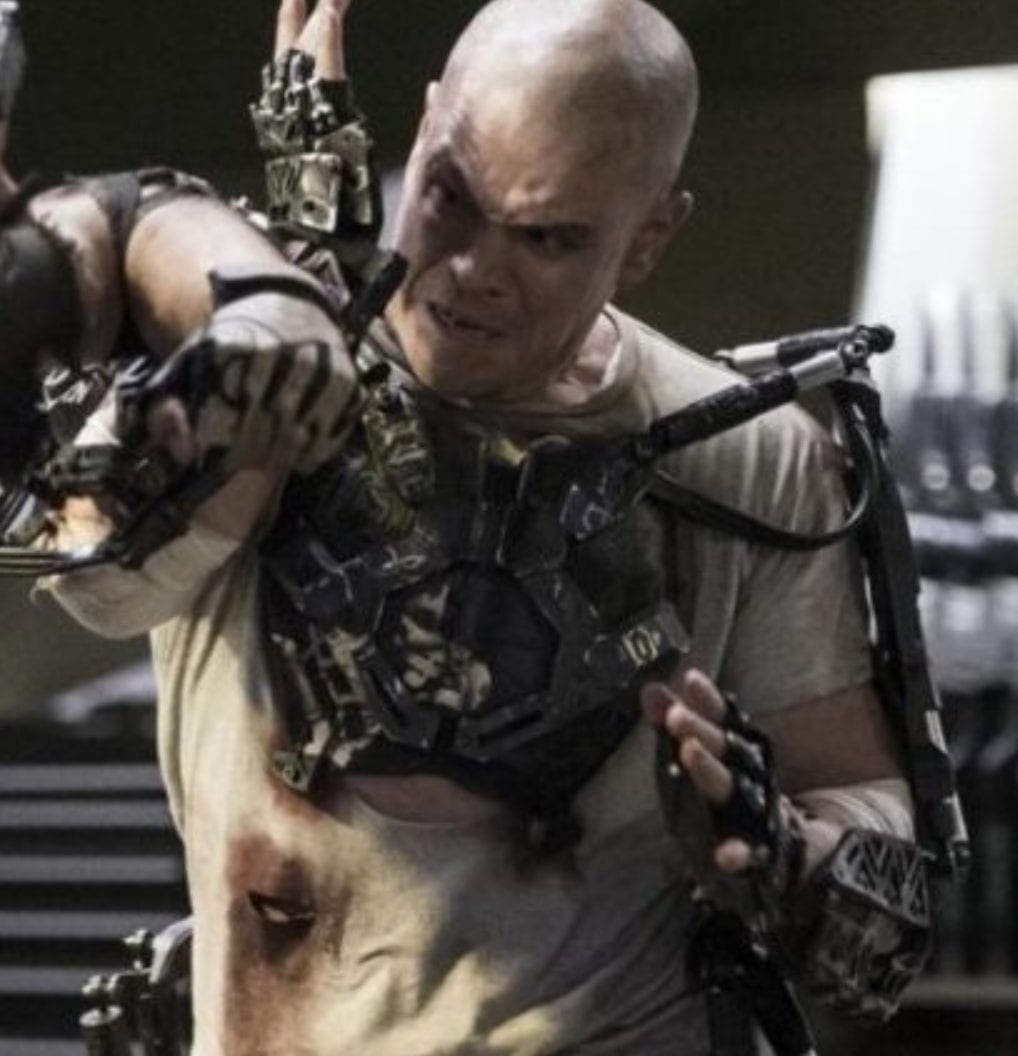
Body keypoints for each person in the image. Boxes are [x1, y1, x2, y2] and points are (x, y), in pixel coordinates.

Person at [18, 0, 918, 1052]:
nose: (474, 271)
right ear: (425, 124)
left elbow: (872, 851)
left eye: (548, 238)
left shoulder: (750, 459)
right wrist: (289, 310)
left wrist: (778, 847)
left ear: (649, 236)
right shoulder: (255, 353)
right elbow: (104, 584)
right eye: (451, 196)